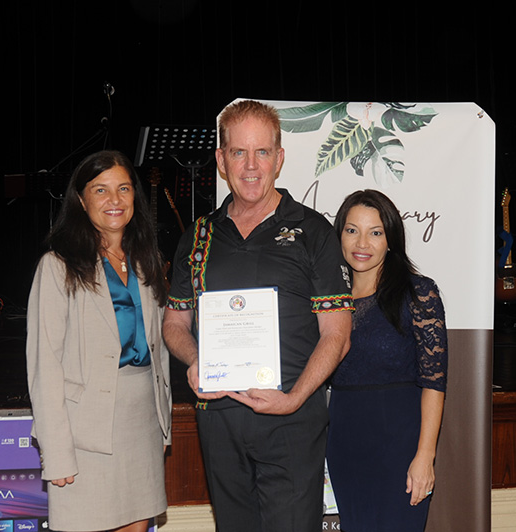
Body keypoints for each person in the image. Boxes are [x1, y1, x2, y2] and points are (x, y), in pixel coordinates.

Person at [162, 99, 354, 532]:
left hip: (291, 421)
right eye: (238, 152)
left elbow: (337, 335)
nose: (251, 166)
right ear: (221, 160)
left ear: (280, 158)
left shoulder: (313, 232)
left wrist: (294, 398)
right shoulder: (199, 235)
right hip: (220, 419)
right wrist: (196, 360)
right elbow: (174, 324)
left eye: (262, 152)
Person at [26, 150, 171, 532]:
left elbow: (159, 349)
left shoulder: (146, 259)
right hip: (83, 432)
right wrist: (56, 453)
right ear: (80, 199)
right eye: (101, 190)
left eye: (123, 188)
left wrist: (164, 423)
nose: (115, 200)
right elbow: (45, 365)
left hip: (141, 422)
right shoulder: (58, 266)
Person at [325, 189, 448, 531]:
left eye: (375, 232)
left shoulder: (418, 293)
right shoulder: (328, 303)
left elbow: (434, 383)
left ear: (391, 239)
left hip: (400, 445)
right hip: (344, 445)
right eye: (352, 230)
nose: (362, 242)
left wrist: (425, 456)